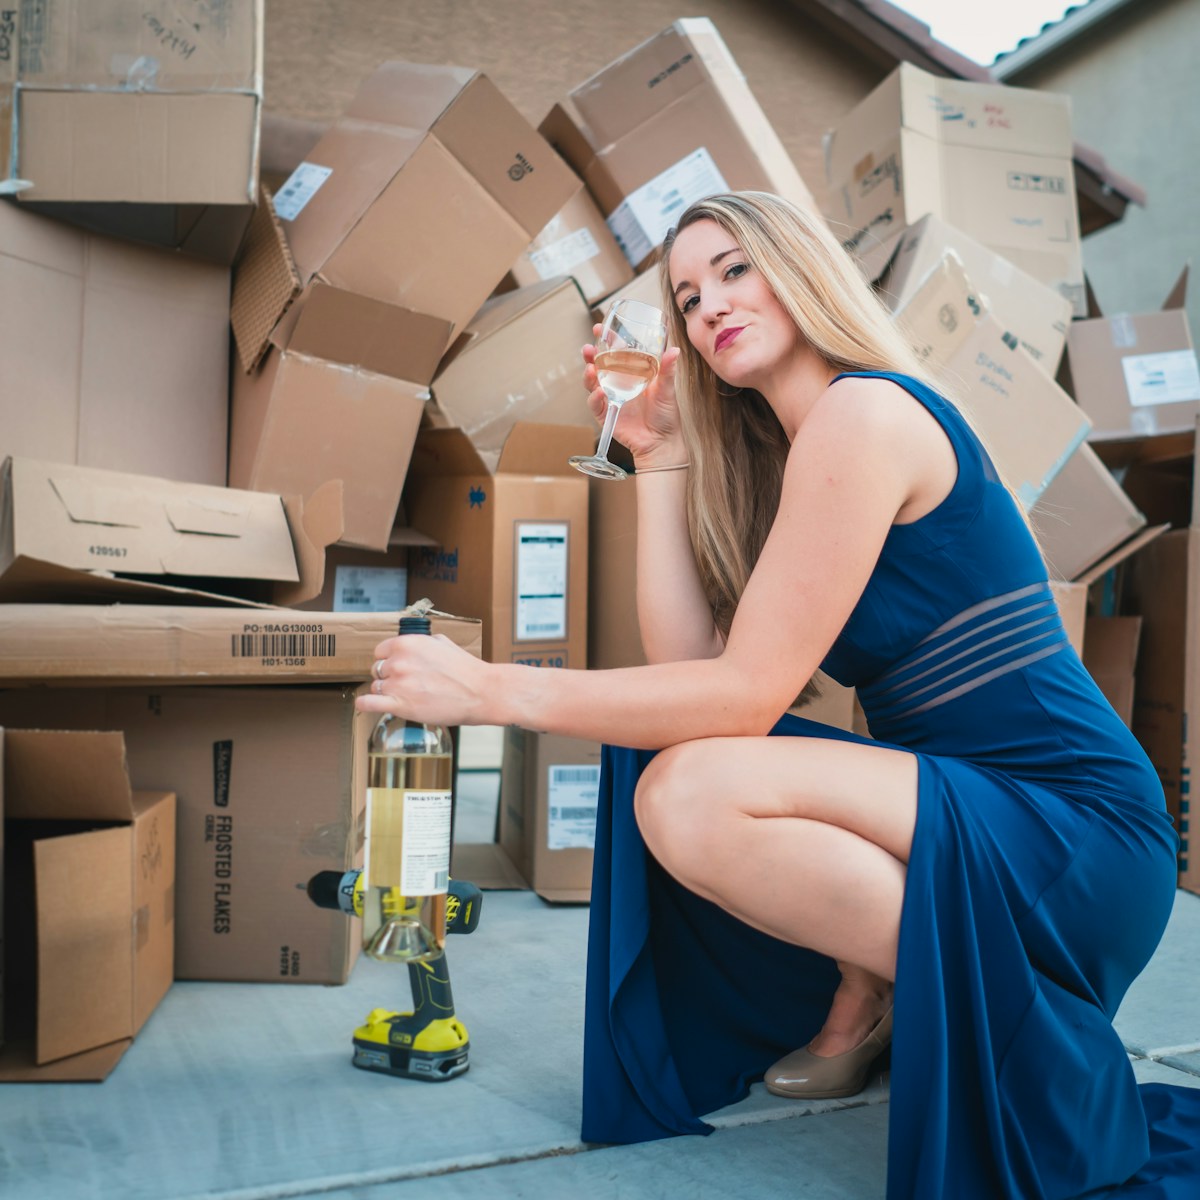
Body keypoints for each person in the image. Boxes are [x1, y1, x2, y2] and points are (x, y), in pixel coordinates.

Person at [358, 190, 1200, 1198]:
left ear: (797, 272)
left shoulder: (864, 412)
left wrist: (491, 687)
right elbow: (691, 671)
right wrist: (660, 454)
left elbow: (739, 700)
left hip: (1074, 823)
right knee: (675, 770)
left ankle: (954, 1001)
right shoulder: (789, 462)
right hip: (963, 806)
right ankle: (881, 987)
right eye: (685, 295)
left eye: (733, 270)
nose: (708, 303)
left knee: (689, 795)